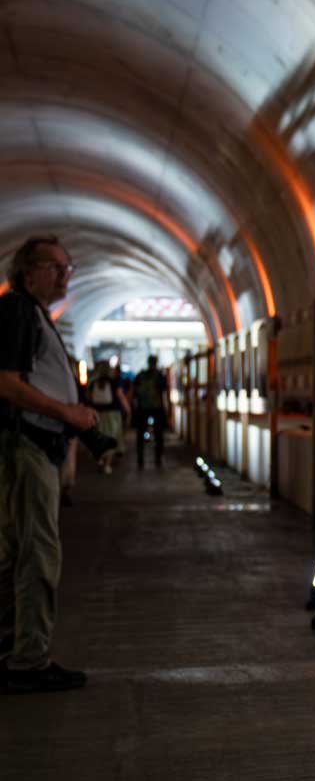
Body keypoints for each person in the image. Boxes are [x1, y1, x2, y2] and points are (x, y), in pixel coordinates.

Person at [0, 235, 96, 692]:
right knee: (37, 551)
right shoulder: (18, 311)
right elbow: (8, 384)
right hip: (28, 444)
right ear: (26, 271)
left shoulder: (33, 314)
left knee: (16, 548)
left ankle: (12, 647)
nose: (64, 275)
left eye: (67, 267)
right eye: (54, 266)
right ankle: (29, 660)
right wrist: (67, 412)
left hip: (35, 444)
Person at [86, 361, 129, 475]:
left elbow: (88, 398)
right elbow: (120, 395)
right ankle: (107, 465)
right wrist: (127, 409)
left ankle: (100, 461)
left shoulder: (93, 382)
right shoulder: (115, 381)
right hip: (112, 414)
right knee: (111, 438)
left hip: (97, 414)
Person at [131, 355, 168, 469]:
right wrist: (167, 409)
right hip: (157, 408)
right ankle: (158, 458)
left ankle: (140, 459)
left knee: (140, 435)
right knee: (158, 435)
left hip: (142, 408)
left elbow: (134, 393)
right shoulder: (159, 376)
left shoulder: (141, 375)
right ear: (156, 363)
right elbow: (164, 394)